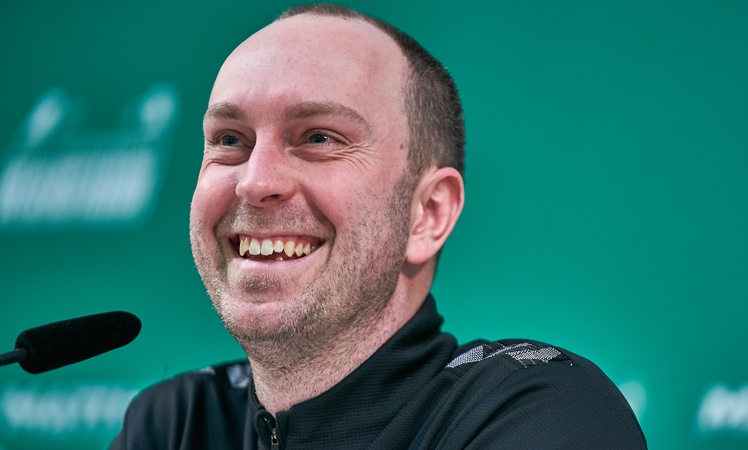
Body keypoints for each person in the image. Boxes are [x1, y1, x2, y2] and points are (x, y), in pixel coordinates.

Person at [111, 4, 646, 449]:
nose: (254, 182)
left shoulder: (535, 411)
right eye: (229, 139)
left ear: (428, 214)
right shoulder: (177, 423)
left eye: (319, 137)